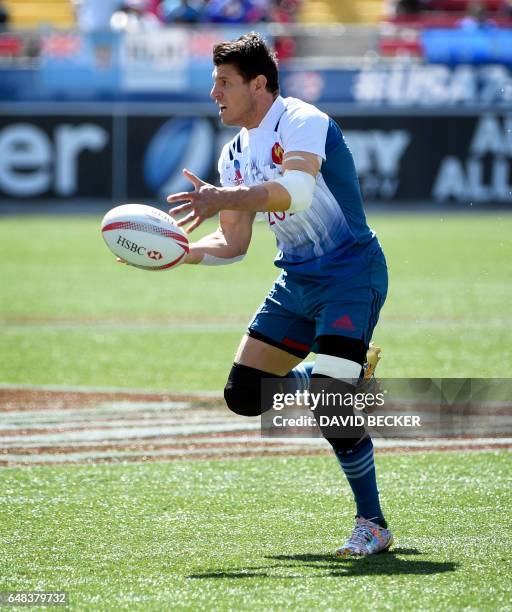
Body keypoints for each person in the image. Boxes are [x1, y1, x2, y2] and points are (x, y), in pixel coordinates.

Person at [166, 32, 393, 557]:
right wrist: (185, 251)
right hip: (295, 281)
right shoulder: (234, 153)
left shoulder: (302, 120)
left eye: (224, 82)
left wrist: (224, 195)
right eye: (214, 82)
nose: (214, 93)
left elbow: (298, 192)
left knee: (334, 406)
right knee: (244, 395)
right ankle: (330, 371)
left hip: (350, 275)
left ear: (259, 83)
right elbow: (235, 241)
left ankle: (373, 524)